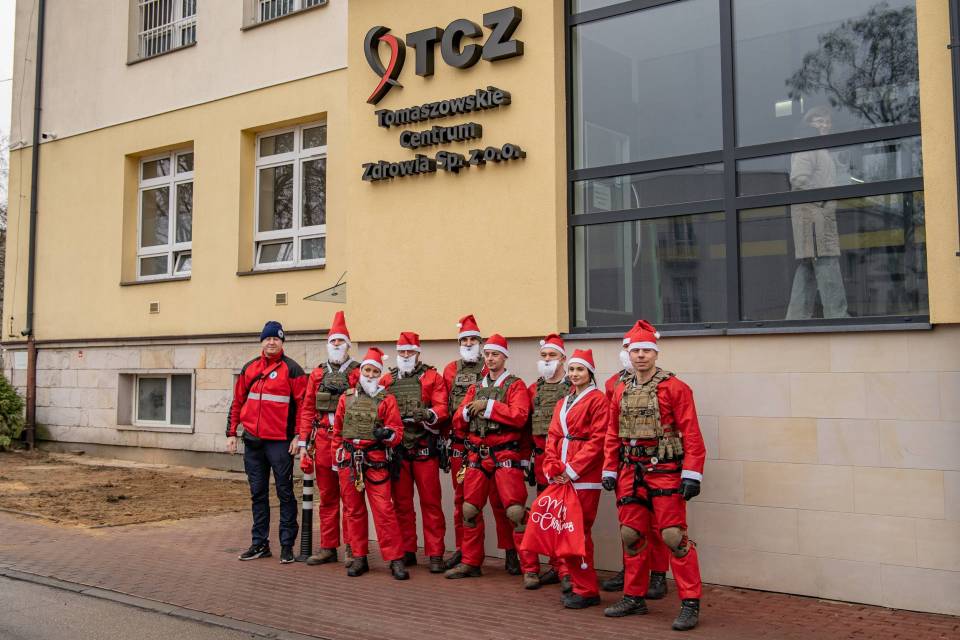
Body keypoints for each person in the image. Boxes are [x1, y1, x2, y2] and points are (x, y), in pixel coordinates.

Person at [602, 321, 706, 631]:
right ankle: (634, 597)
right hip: (630, 471)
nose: (641, 356)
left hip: (665, 472)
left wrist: (693, 473)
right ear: (628, 353)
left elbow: (691, 432)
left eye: (646, 351)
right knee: (631, 535)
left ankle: (690, 603)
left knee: (673, 537)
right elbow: (612, 432)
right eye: (636, 351)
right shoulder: (620, 389)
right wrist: (609, 467)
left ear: (656, 353)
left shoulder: (675, 388)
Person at [445, 334, 531, 580]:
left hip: (505, 454)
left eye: (495, 354)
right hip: (477, 456)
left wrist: (489, 407)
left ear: (505, 357)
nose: (491, 358)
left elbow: (520, 416)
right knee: (469, 510)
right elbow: (458, 420)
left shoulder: (515, 385)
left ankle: (529, 567)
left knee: (515, 512)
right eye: (488, 354)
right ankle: (471, 562)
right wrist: (466, 412)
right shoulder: (476, 387)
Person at [226, 320, 307, 564]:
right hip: (253, 441)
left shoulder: (293, 370)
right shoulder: (249, 368)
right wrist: (231, 433)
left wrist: (299, 436)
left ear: (282, 342)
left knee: (285, 493)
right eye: (268, 338)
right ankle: (259, 544)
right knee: (258, 494)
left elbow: (304, 406)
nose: (272, 342)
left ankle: (286, 545)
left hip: (280, 442)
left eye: (276, 339)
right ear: (262, 341)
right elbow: (237, 402)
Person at [602, 322, 670, 600]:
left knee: (657, 524)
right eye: (629, 348)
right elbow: (611, 426)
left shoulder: (663, 384)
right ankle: (630, 572)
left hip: (656, 464)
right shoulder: (614, 384)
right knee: (630, 525)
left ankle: (658, 575)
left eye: (642, 348)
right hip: (626, 463)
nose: (635, 353)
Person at [331, 347, 409, 580]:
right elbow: (337, 432)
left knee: (384, 510)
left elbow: (398, 431)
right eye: (367, 370)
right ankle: (359, 557)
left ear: (379, 374)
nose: (371, 375)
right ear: (361, 371)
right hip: (349, 461)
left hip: (376, 460)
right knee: (353, 510)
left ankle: (395, 558)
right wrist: (337, 460)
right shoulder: (346, 398)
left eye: (375, 371)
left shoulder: (387, 400)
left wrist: (387, 434)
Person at [541, 349, 608, 609]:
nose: (575, 374)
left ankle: (587, 589)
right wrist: (551, 466)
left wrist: (571, 470)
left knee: (578, 531)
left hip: (584, 476)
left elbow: (598, 441)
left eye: (580, 369)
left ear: (590, 373)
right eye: (571, 369)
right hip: (561, 475)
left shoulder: (598, 400)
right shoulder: (563, 401)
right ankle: (578, 584)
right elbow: (553, 436)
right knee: (564, 530)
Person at [296, 311, 360, 566]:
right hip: (322, 440)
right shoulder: (317, 374)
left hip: (347, 441)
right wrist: (304, 444)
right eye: (333, 341)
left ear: (348, 345)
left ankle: (353, 548)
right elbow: (307, 409)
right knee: (327, 496)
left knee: (351, 498)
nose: (336, 344)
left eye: (340, 341)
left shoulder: (358, 372)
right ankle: (328, 546)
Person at [387, 331, 448, 573]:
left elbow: (442, 406)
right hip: (399, 450)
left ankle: (435, 554)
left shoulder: (433, 377)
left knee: (431, 503)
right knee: (401, 504)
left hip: (425, 447)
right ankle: (407, 550)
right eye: (401, 351)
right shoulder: (387, 380)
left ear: (417, 353)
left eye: (409, 352)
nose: (405, 355)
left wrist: (430, 414)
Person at [786, 105, 849, 320]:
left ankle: (796, 319)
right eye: (819, 120)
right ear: (809, 123)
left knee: (808, 267)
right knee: (827, 263)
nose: (825, 125)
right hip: (814, 217)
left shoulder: (820, 149)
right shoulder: (808, 144)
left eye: (827, 122)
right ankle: (838, 316)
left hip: (816, 216)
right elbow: (799, 179)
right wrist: (822, 202)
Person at [520, 334, 569, 591]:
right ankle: (549, 566)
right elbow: (525, 428)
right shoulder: (533, 389)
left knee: (566, 517)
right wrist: (525, 460)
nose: (548, 359)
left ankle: (566, 569)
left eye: (552, 355)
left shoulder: (574, 386)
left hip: (566, 463)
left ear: (563, 358)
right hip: (541, 462)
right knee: (545, 514)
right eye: (544, 355)